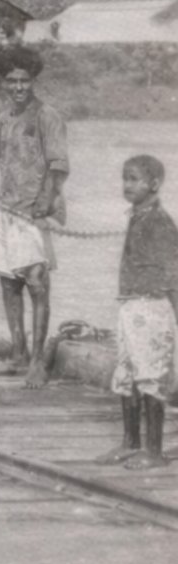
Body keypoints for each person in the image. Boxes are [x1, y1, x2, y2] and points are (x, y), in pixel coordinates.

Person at [0, 45, 68, 388]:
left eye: (24, 80)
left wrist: (44, 203)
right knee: (8, 283)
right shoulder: (2, 119)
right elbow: (2, 160)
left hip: (32, 214)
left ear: (33, 80)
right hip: (4, 208)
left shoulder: (47, 116)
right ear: (3, 83)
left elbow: (59, 166)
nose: (18, 87)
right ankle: (18, 353)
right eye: (11, 81)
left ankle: (38, 362)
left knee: (37, 284)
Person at [98, 155, 178, 469]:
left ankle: (155, 451)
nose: (127, 185)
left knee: (150, 375)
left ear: (154, 184)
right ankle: (130, 442)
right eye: (125, 178)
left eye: (135, 179)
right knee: (127, 374)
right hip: (130, 304)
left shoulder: (160, 222)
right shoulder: (137, 216)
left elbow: (173, 273)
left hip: (153, 306)